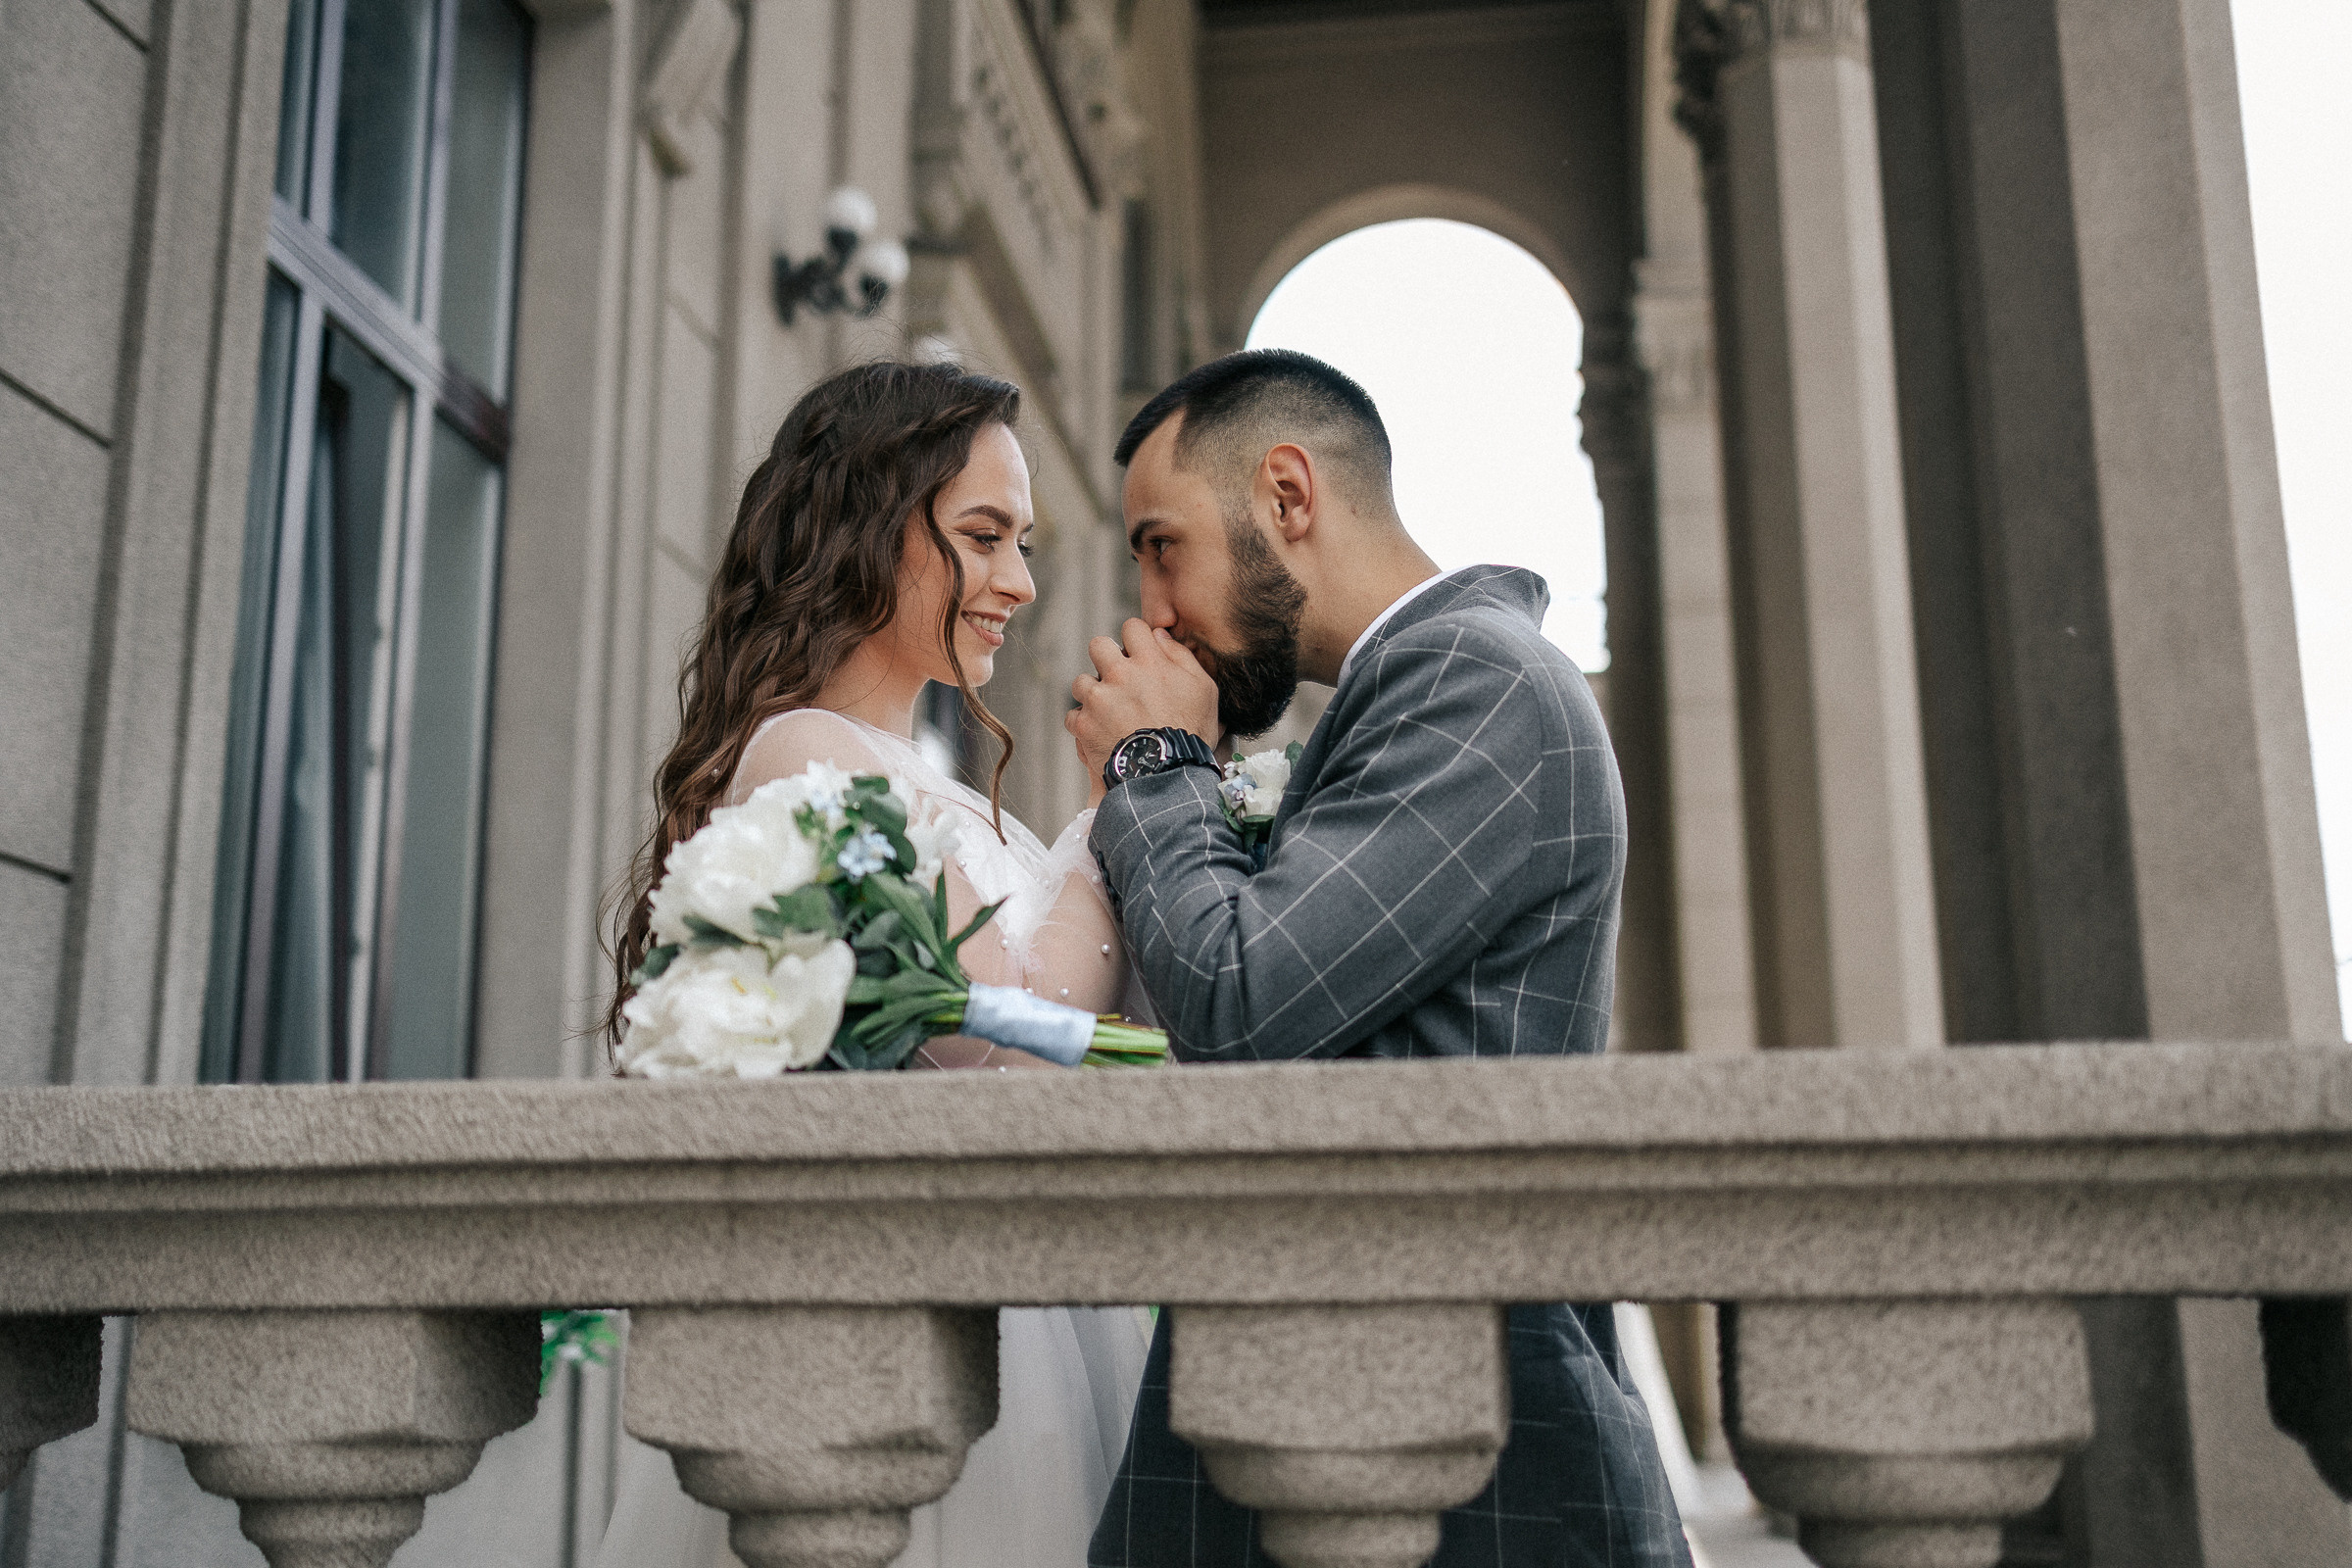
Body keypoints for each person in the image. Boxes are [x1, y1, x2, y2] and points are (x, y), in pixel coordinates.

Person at [1067, 349, 1692, 1568]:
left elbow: (1240, 1001)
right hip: (1350, 1422)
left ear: (1287, 494)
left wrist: (1154, 765)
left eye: (1161, 545)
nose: (1153, 608)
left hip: (1455, 1461)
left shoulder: (1475, 682)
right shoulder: (1413, 688)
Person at [598, 361, 1151, 1567]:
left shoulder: (932, 787)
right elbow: (1012, 1031)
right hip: (926, 1327)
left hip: (1025, 1304)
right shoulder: (808, 753)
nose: (1021, 581)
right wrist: (1126, 810)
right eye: (983, 536)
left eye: (1023, 542)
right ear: (865, 527)